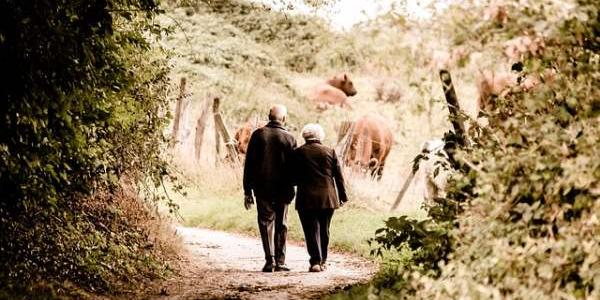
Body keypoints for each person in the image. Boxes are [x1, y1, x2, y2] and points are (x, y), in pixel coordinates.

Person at [243, 104, 297, 272]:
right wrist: (294, 186)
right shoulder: (290, 139)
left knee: (265, 222)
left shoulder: (258, 135)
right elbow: (294, 168)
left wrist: (247, 191)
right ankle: (281, 261)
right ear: (284, 119)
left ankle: (270, 261)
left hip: (262, 188)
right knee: (282, 223)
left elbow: (249, 165)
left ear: (268, 116)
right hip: (284, 189)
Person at [292, 123, 348, 272]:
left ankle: (315, 261)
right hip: (328, 197)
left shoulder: (298, 152)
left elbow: (293, 177)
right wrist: (342, 196)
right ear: (320, 136)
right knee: (325, 229)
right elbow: (339, 177)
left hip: (306, 198)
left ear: (305, 136)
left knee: (310, 230)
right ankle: (323, 260)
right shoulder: (330, 151)